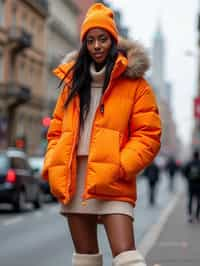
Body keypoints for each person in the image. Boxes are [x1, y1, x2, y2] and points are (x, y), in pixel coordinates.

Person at [42, 3, 161, 266]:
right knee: (85, 260)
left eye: (103, 39)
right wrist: (53, 163)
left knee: (127, 256)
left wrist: (121, 165)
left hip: (114, 177)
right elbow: (56, 130)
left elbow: (148, 134)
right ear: (84, 44)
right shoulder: (71, 82)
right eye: (91, 40)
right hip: (75, 179)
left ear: (113, 41)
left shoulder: (135, 83)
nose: (97, 46)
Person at [182, 150, 200, 223]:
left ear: (193, 155)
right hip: (199, 185)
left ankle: (189, 215)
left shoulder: (189, 163)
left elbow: (184, 172)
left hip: (191, 184)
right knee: (198, 200)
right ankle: (197, 215)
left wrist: (188, 178)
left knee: (190, 199)